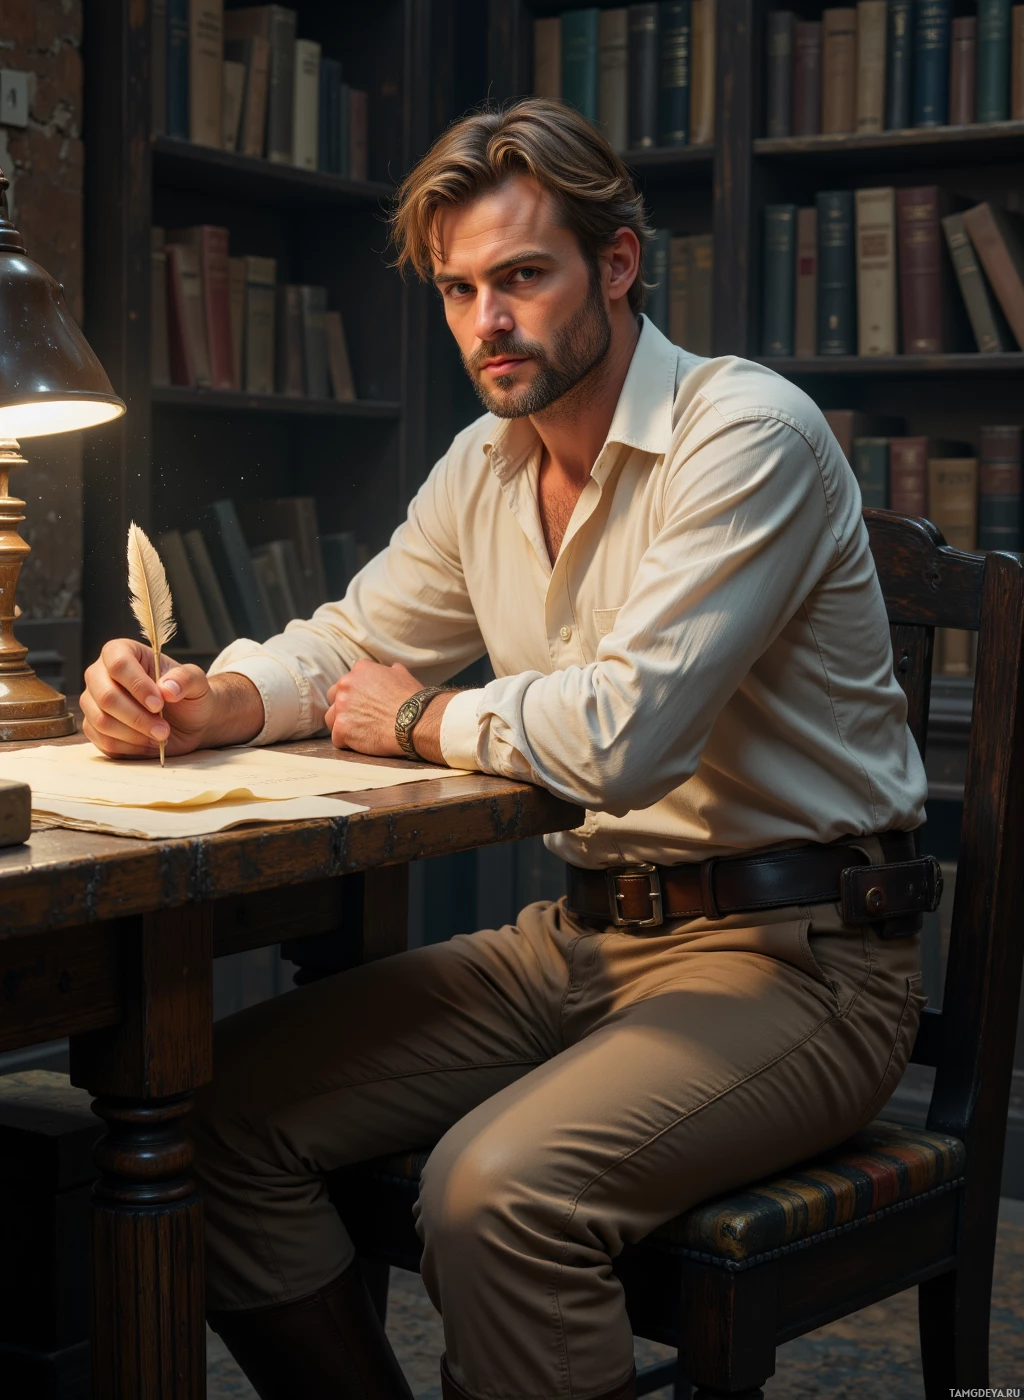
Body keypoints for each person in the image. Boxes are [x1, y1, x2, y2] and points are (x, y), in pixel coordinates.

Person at [82, 99, 932, 1400]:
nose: (489, 320)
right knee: (214, 1119)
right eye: (460, 287)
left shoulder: (744, 432)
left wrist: (419, 717)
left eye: (523, 276)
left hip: (802, 965)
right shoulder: (486, 466)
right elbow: (353, 637)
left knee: (495, 1198)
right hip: (583, 940)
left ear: (618, 264)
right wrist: (217, 700)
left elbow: (625, 737)